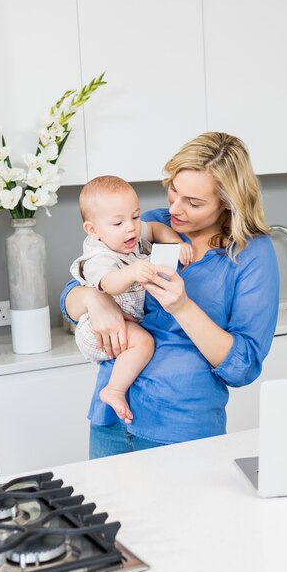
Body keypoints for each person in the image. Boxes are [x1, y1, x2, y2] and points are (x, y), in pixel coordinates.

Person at [60, 132, 280, 459]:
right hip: (110, 420)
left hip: (181, 428)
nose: (175, 208)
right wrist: (95, 300)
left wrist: (182, 307)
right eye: (173, 191)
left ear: (227, 202)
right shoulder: (150, 225)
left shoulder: (251, 255)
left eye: (194, 203)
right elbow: (71, 296)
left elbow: (242, 367)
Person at [70, 175, 193, 424]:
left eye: (135, 217)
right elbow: (109, 284)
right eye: (118, 223)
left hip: (120, 320)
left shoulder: (131, 234)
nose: (131, 227)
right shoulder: (99, 257)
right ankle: (113, 390)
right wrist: (132, 272)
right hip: (96, 330)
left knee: (141, 339)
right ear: (93, 231)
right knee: (144, 343)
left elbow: (156, 228)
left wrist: (176, 242)